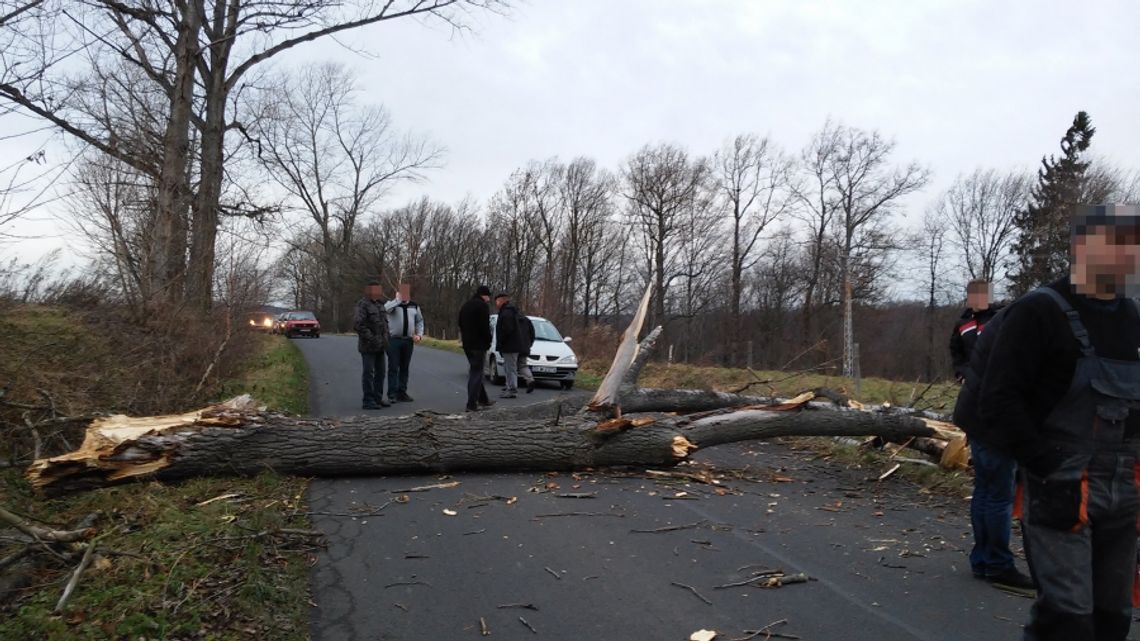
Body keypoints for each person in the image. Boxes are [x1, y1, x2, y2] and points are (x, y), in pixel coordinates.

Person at [978, 204, 1140, 641]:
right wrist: (1043, 464)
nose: (1131, 255)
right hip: (1063, 485)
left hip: (1125, 488)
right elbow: (997, 401)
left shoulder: (1133, 317)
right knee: (1067, 621)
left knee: (1113, 616)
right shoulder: (1040, 311)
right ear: (1082, 247)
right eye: (1120, 243)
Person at [949, 280, 1033, 594]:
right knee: (998, 493)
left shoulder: (998, 323)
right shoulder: (1002, 333)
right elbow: (1011, 388)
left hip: (976, 413)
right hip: (990, 419)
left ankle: (983, 559)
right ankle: (997, 563)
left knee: (985, 490)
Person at [950, 279, 1002, 384]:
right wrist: (961, 374)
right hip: (971, 382)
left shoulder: (999, 318)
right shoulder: (962, 324)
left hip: (998, 381)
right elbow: (956, 353)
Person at [384, 286, 425, 403]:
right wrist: (397, 300)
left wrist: (419, 334)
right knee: (393, 367)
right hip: (393, 340)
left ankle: (402, 392)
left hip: (408, 340)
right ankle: (392, 394)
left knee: (404, 367)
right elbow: (385, 310)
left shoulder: (414, 305)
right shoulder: (392, 305)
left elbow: (420, 321)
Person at [353, 281, 390, 410]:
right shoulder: (363, 305)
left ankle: (377, 398)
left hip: (381, 345)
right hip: (368, 346)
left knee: (381, 373)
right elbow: (359, 325)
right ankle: (368, 400)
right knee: (369, 373)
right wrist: (372, 338)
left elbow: (385, 324)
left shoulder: (381, 305)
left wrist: (386, 339)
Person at [458, 285, 494, 412]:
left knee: (476, 370)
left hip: (467, 344)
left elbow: (460, 322)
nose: (489, 299)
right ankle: (471, 404)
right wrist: (488, 340)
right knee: (476, 373)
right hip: (478, 345)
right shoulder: (482, 306)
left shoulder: (466, 305)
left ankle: (483, 399)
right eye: (488, 296)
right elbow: (484, 326)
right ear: (484, 295)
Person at [494, 293, 524, 398]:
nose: (496, 303)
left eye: (497, 301)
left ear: (502, 301)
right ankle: (509, 387)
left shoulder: (507, 313)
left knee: (510, 368)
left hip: (510, 346)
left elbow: (507, 329)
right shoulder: (507, 312)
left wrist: (501, 341)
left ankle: (512, 389)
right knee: (508, 367)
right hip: (510, 345)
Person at [517, 312, 536, 394]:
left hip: (513, 347)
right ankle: (530, 380)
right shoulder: (527, 320)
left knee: (510, 367)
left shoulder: (511, 319)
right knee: (523, 365)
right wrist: (529, 344)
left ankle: (510, 386)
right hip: (525, 347)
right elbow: (532, 334)